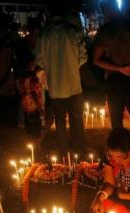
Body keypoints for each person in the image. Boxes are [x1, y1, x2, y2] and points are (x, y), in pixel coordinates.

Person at [93, 0, 130, 145]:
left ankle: (120, 153)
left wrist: (119, 69)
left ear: (107, 10)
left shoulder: (106, 30)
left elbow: (96, 60)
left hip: (114, 80)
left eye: (104, 11)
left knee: (117, 122)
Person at [35, 2, 87, 155]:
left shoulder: (42, 34)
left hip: (55, 87)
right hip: (74, 85)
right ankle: (79, 149)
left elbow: (39, 62)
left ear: (48, 14)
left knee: (59, 120)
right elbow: (83, 56)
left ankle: (63, 151)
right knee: (77, 118)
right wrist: (71, 67)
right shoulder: (73, 31)